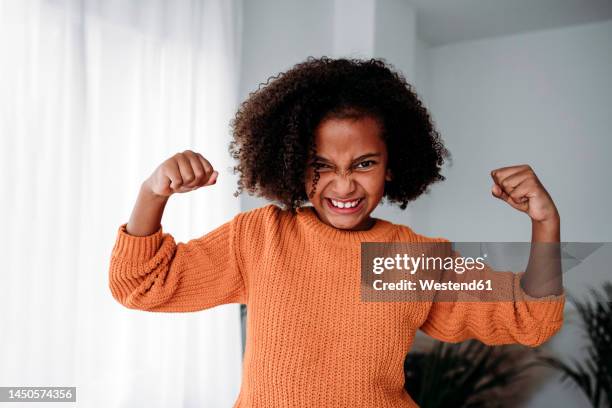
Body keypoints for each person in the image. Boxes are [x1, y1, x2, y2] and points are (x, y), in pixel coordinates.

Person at [108, 57, 565, 407]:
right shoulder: (262, 237)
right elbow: (140, 284)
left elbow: (532, 318)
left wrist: (545, 223)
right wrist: (153, 193)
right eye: (320, 166)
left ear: (393, 164)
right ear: (290, 164)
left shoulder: (410, 259)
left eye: (364, 164)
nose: (344, 185)